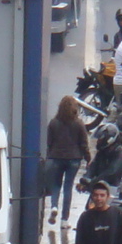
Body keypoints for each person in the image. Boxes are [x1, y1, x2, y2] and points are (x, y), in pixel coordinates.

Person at [45, 95, 91, 224]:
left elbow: (49, 142)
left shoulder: (53, 123)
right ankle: (64, 220)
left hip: (56, 157)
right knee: (68, 187)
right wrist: (88, 158)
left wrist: (49, 155)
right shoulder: (79, 123)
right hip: (74, 159)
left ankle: (54, 206)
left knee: (56, 184)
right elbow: (83, 144)